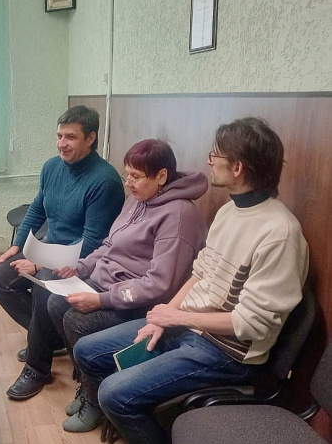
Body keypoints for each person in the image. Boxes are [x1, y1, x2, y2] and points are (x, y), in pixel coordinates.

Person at [72, 117, 309, 444]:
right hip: (189, 327)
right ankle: (129, 412)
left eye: (215, 155)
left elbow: (251, 324)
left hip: (226, 353)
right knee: (86, 350)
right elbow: (200, 273)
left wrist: (177, 318)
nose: (209, 162)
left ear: (237, 168)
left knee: (115, 394)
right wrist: (162, 318)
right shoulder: (229, 211)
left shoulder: (279, 234)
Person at [7, 140, 208, 405]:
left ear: (161, 176)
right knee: (55, 301)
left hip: (141, 301)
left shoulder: (179, 216)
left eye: (136, 176)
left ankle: (94, 398)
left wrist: (101, 300)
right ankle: (87, 379)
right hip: (108, 283)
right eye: (127, 175)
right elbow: (108, 245)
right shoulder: (138, 200)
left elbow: (160, 285)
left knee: (76, 320)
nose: (129, 183)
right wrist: (81, 267)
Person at [0, 106, 124, 364]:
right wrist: (17, 246)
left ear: (90, 138)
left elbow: (93, 242)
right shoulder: (51, 167)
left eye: (70, 137)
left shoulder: (105, 181)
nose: (61, 144)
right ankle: (49, 338)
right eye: (59, 136)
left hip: (80, 260)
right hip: (49, 249)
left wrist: (41, 265)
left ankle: (37, 364)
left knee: (43, 284)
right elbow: (37, 209)